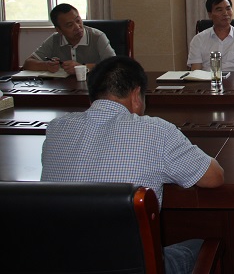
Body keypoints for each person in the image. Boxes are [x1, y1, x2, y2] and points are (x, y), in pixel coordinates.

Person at [41, 56, 224, 274]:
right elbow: (214, 177)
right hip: (131, 265)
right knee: (202, 246)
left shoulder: (56, 129)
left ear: (92, 97)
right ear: (136, 95)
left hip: (63, 263)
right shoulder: (156, 131)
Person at [23, 3, 116, 75]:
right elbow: (27, 64)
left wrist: (82, 67)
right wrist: (47, 65)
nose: (77, 27)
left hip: (93, 87)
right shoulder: (54, 40)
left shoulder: (97, 37)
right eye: (69, 25)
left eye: (78, 20)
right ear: (59, 30)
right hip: (64, 88)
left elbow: (115, 65)